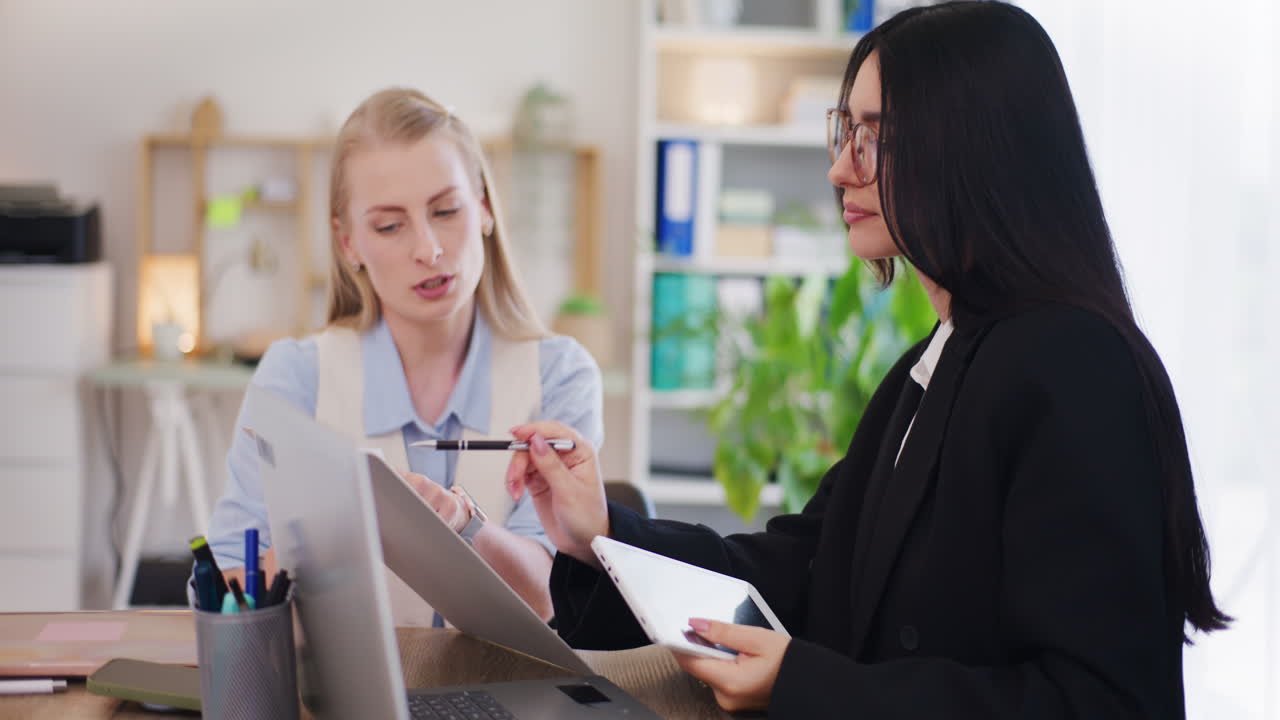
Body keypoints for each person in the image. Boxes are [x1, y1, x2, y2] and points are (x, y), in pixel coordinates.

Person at [501, 2, 1230, 717]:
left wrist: (803, 684)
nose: (841, 169)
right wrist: (601, 533)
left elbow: (1101, 700)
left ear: (974, 149)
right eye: (845, 131)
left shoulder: (1076, 368)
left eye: (875, 138)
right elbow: (807, 566)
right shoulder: (937, 358)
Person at [205, 87, 602, 623]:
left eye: (446, 210)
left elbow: (547, 595)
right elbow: (225, 594)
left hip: (507, 676)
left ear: (485, 208)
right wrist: (327, 532)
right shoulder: (295, 377)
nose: (428, 249)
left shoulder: (559, 375)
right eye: (389, 226)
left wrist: (465, 523)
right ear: (348, 244)